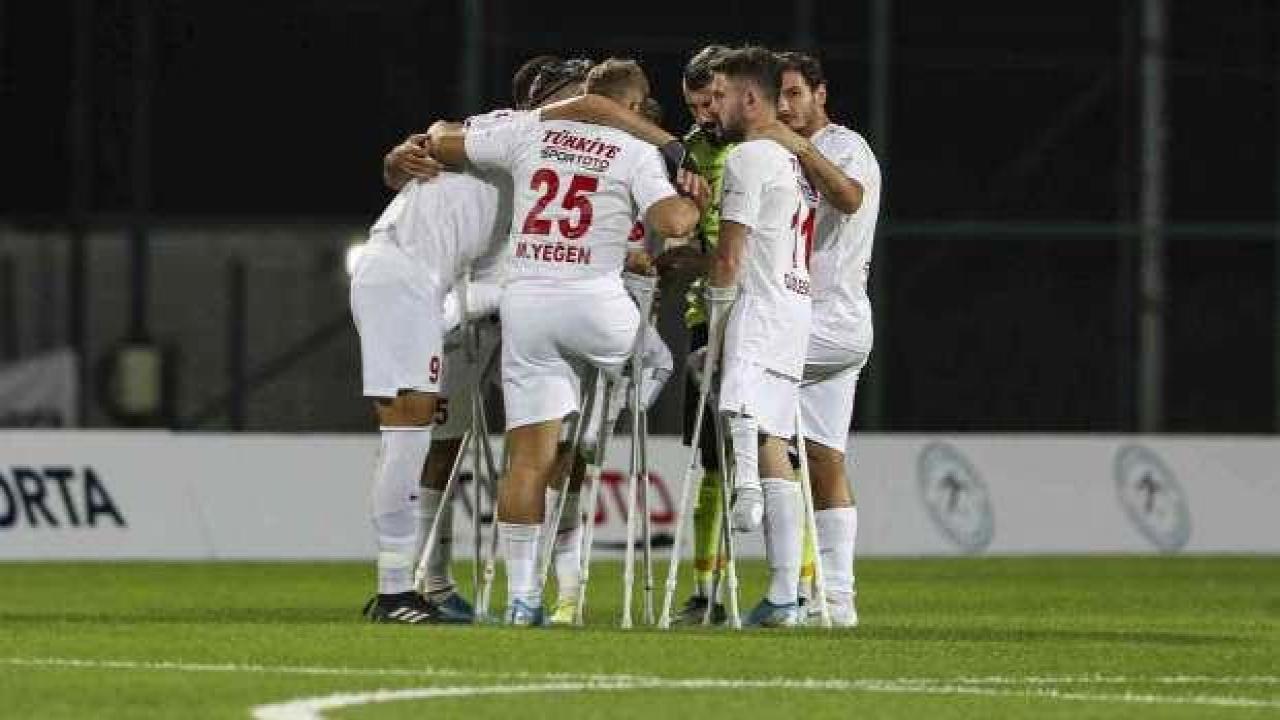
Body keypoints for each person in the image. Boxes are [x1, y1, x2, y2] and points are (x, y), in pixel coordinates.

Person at [360, 57, 686, 625]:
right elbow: (436, 140)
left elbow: (438, 140)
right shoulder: (522, 131)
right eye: (578, 96)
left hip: (458, 292)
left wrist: (401, 159)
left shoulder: (527, 142)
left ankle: (444, 587)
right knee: (412, 439)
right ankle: (396, 591)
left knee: (451, 439)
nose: (591, 108)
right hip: (416, 281)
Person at [754, 51, 878, 627]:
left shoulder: (845, 145)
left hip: (824, 321)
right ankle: (836, 600)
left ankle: (784, 591)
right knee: (825, 460)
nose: (784, 107)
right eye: (776, 96)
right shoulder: (776, 151)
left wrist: (796, 146)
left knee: (748, 410)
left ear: (820, 94)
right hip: (822, 325)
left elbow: (849, 198)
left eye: (795, 93)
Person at [704, 46, 815, 628]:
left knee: (737, 403)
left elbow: (730, 255)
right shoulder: (792, 161)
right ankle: (782, 596)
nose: (712, 106)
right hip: (795, 307)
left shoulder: (747, 157)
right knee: (775, 439)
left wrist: (716, 323)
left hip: (762, 304)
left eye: (720, 95)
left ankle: (744, 490)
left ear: (750, 99)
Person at [656, 44, 739, 625]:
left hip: (768, 314)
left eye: (713, 100)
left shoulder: (770, 147)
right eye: (695, 105)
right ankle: (706, 592)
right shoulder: (690, 151)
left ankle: (804, 590)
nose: (705, 114)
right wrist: (677, 250)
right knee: (713, 460)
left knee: (786, 455)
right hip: (706, 315)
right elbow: (681, 232)